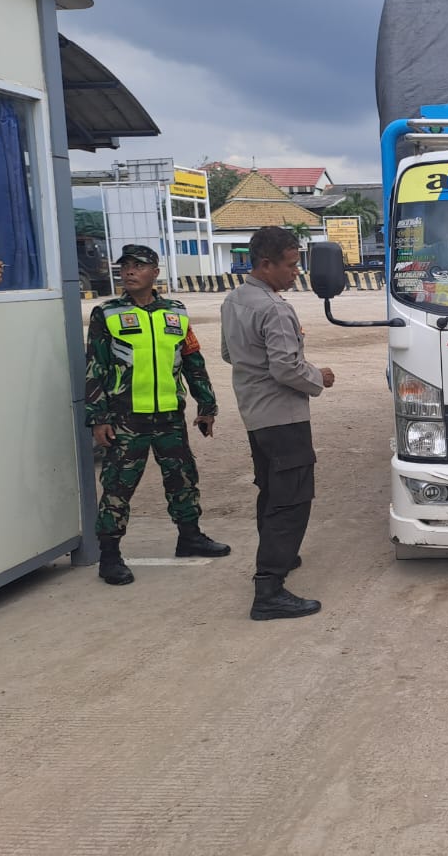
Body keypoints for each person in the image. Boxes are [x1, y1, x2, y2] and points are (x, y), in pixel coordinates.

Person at [85, 244, 229, 586]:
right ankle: (109, 556)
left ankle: (190, 537)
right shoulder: (106, 314)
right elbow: (95, 369)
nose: (130, 271)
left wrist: (206, 405)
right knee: (118, 486)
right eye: (125, 266)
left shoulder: (176, 313)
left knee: (182, 480)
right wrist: (98, 417)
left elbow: (193, 362)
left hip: (169, 416)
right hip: (125, 418)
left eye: (139, 265)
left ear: (155, 272)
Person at [220, 226, 334, 620]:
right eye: (290, 264)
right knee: (292, 498)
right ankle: (269, 589)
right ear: (265, 264)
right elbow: (286, 367)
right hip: (283, 417)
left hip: (255, 414)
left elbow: (227, 353)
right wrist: (319, 376)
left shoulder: (234, 300)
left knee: (271, 491)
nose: (296, 272)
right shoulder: (274, 308)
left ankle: (279, 556)